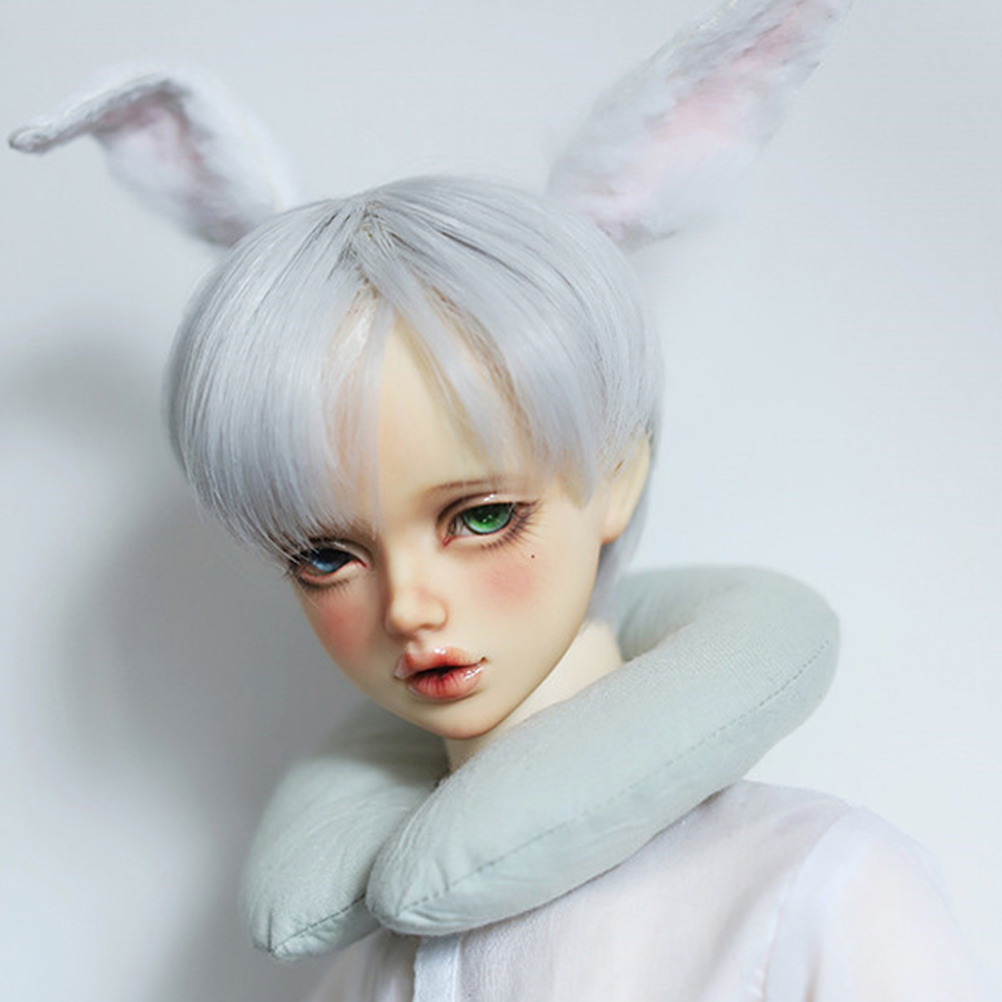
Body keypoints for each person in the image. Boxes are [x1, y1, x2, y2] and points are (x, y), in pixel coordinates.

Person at [10, 0, 991, 998]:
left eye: (482, 517)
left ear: (618, 475)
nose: (410, 607)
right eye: (326, 555)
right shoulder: (365, 969)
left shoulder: (814, 890)